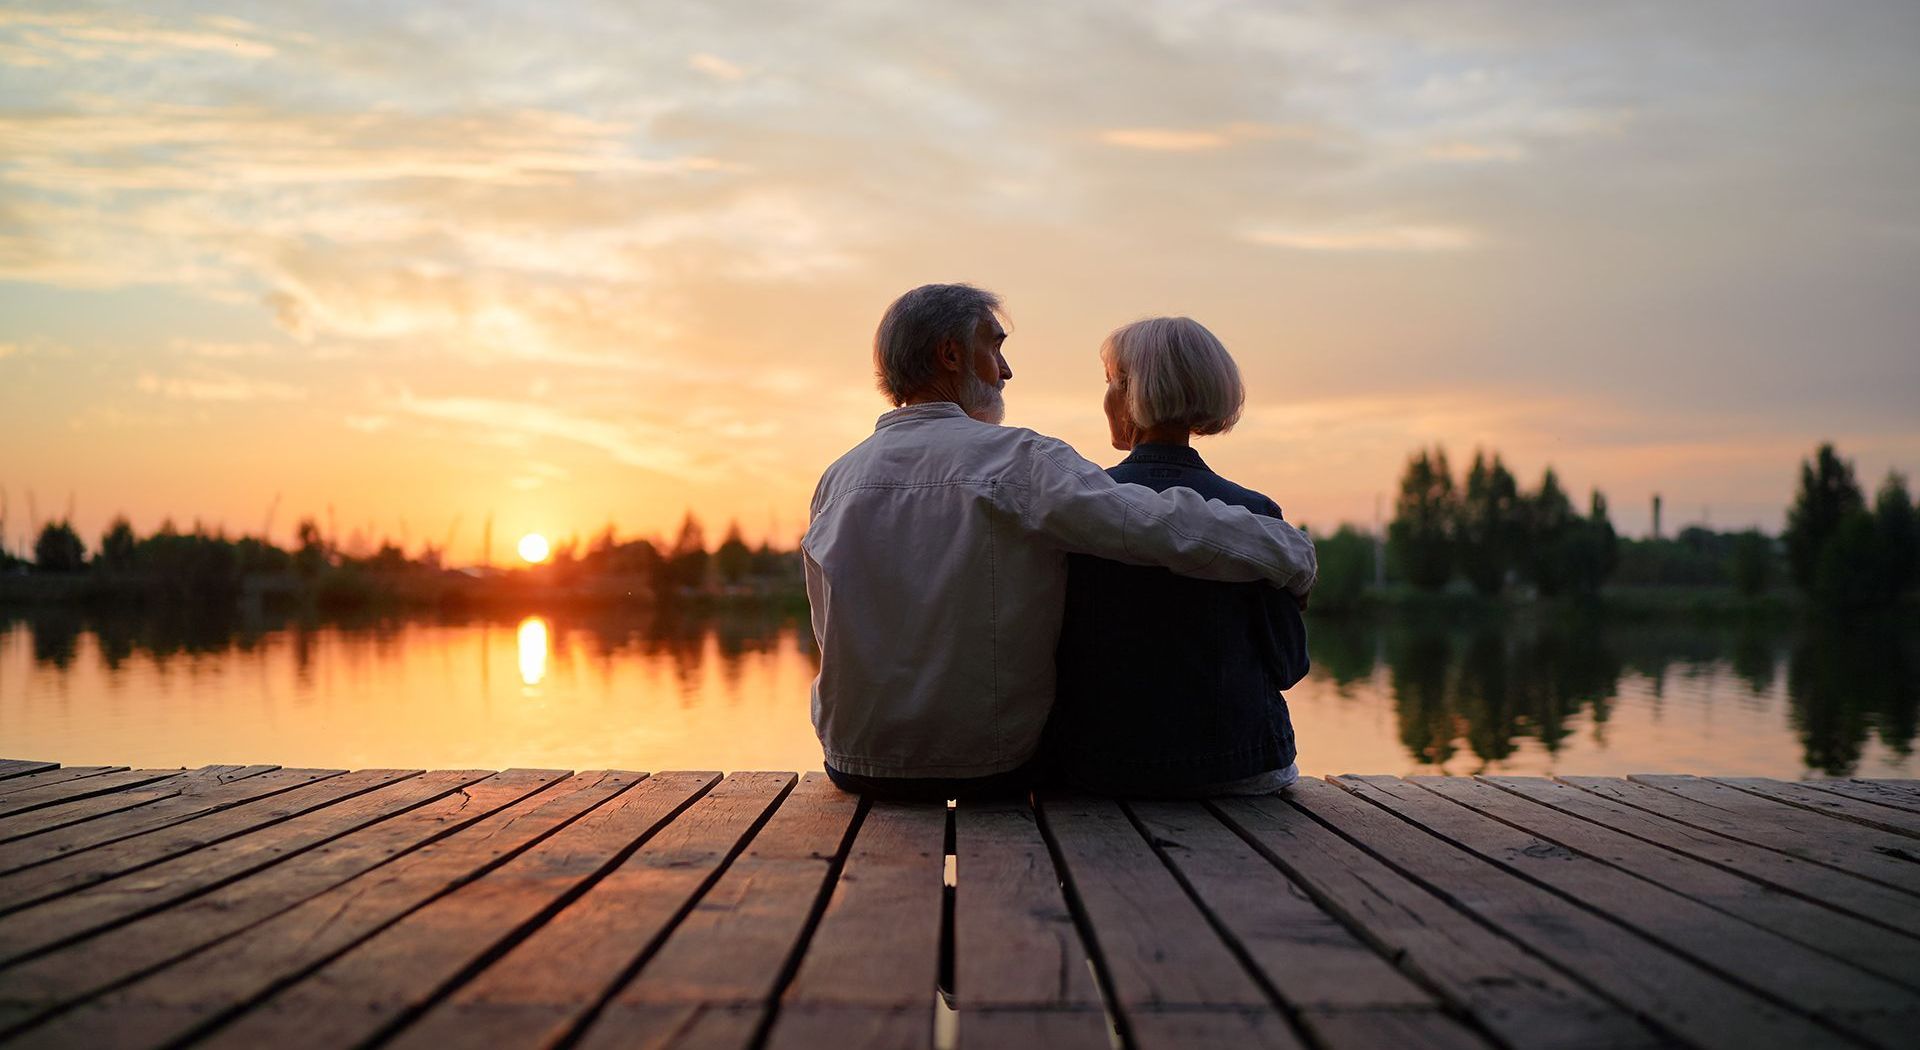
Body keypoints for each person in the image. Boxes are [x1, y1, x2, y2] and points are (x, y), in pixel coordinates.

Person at [803, 285, 1316, 800]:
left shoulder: (837, 479)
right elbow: (1157, 524)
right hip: (988, 766)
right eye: (995, 347)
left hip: (852, 764)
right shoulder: (1017, 460)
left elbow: (829, 632)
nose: (1006, 371)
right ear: (951, 354)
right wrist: (1288, 552)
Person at [1048, 317, 1308, 797]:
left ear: (1129, 395)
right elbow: (1289, 665)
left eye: (1110, 382)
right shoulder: (1253, 513)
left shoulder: (1077, 507)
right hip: (1237, 769)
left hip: (1098, 768)